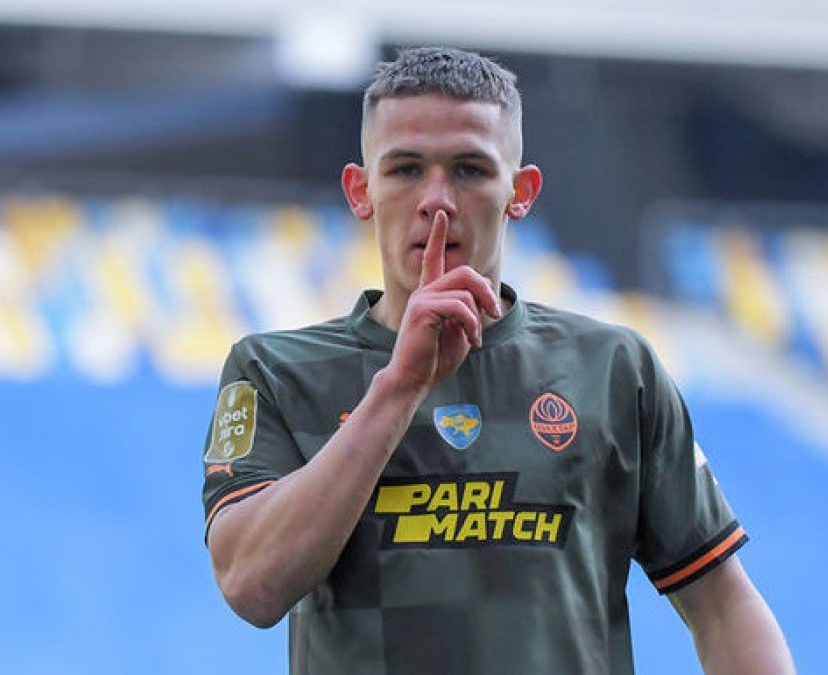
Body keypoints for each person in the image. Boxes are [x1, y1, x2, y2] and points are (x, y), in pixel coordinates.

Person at [201, 46, 794, 674]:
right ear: (360, 190)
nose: (437, 200)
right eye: (405, 169)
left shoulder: (613, 370)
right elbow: (252, 585)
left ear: (520, 191)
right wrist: (399, 387)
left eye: (470, 169)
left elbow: (723, 606)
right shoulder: (277, 371)